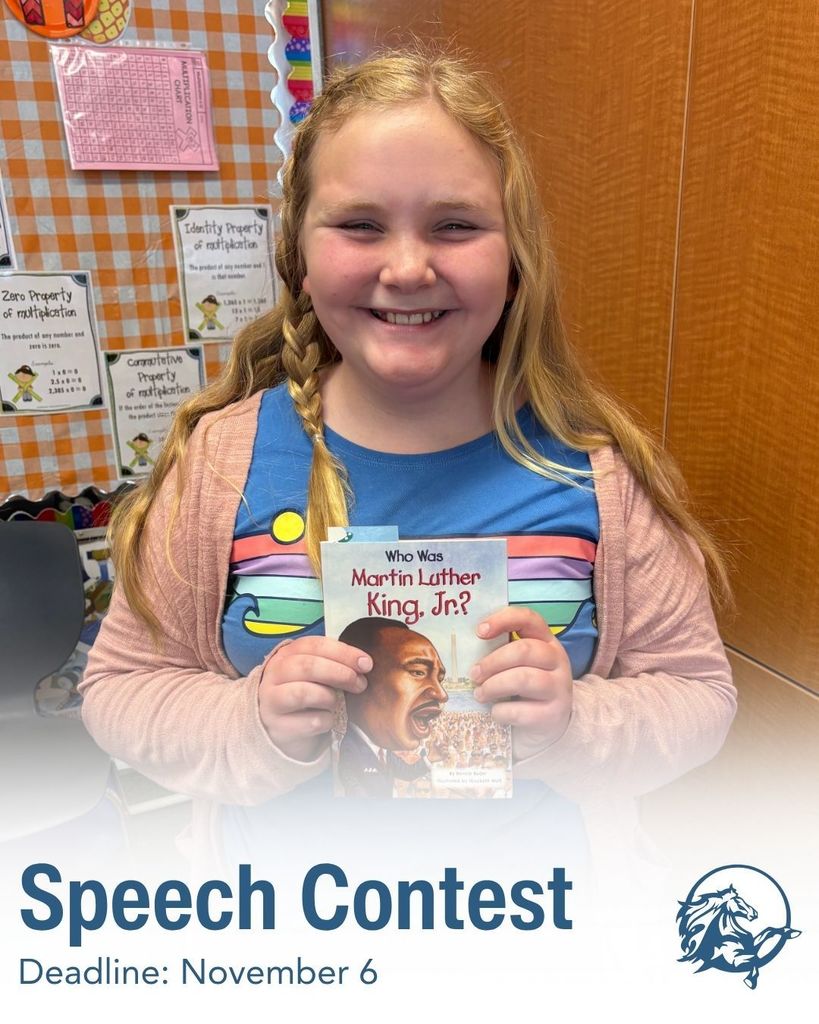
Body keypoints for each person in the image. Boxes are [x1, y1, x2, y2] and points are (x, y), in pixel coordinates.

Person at [80, 48, 735, 818]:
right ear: (298, 256)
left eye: (455, 225)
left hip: (531, 913)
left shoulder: (596, 472)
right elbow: (119, 690)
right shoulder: (223, 464)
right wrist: (252, 721)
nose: (408, 267)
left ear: (515, 258)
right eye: (360, 225)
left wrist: (574, 724)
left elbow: (697, 695)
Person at [335, 617, 447, 797]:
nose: (442, 694)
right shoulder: (345, 749)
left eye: (439, 679)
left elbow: (404, 771)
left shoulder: (381, 749)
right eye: (418, 672)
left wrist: (429, 758)